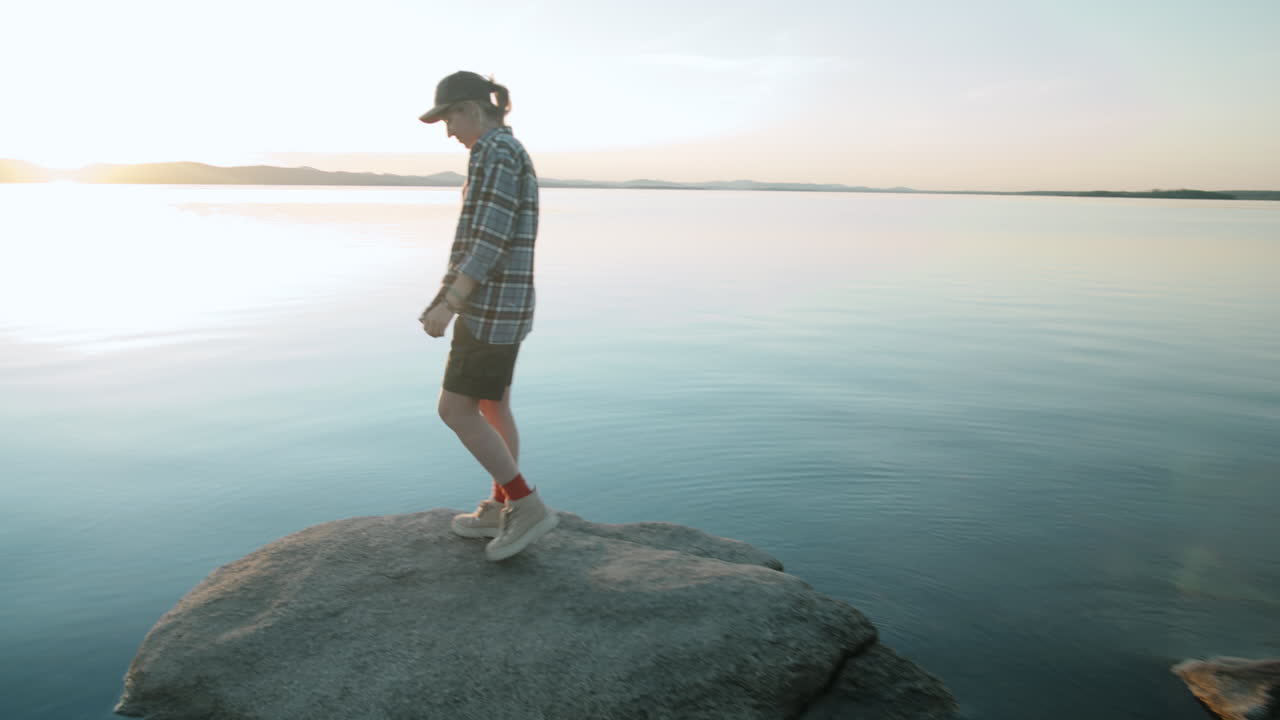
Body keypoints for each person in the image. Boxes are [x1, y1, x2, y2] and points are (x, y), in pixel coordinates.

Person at [417, 71, 557, 561]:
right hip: (506, 307)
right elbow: (481, 239)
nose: (448, 132)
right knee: (493, 407)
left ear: (472, 108)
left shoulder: (496, 152)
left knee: (454, 410)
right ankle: (501, 509)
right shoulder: (503, 151)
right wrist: (443, 296)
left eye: (449, 118)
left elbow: (490, 241)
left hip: (489, 310)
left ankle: (526, 505)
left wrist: (449, 304)